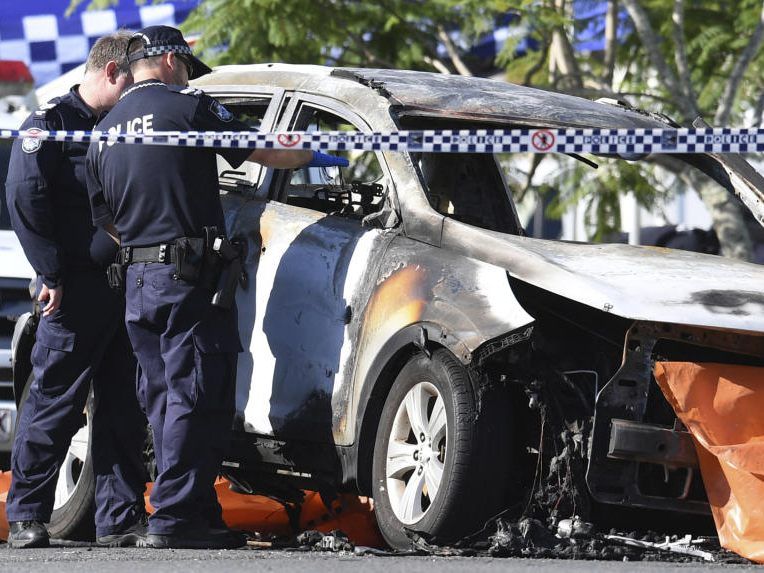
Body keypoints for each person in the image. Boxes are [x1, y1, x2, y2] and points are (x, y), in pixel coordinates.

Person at [86, 25, 345, 549]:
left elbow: (105, 221)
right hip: (188, 280)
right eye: (184, 66)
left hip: (138, 279)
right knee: (193, 393)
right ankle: (175, 518)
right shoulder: (186, 107)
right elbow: (269, 150)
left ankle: (197, 510)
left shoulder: (104, 129)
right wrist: (323, 153)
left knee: (162, 397)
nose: (186, 75)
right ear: (168, 61)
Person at [4, 32, 148, 549]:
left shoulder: (127, 126)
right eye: (133, 80)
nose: (139, 92)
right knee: (54, 403)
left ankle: (119, 519)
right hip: (74, 289)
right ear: (112, 73)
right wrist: (52, 274)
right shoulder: (50, 125)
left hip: (125, 287)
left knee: (123, 408)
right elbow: (26, 202)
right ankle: (26, 514)